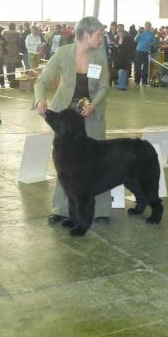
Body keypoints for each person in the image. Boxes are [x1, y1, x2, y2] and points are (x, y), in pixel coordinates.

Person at [34, 16, 111, 223]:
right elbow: (42, 80)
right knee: (65, 163)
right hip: (67, 118)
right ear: (86, 35)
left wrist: (93, 105)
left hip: (92, 113)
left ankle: (101, 210)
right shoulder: (63, 53)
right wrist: (41, 100)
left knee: (98, 162)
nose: (101, 38)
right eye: (98, 34)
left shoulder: (100, 55)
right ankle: (61, 209)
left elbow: (104, 86)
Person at [133, 21, 156, 86]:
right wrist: (138, 33)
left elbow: (154, 41)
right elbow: (135, 40)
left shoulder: (151, 33)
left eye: (148, 26)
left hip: (146, 52)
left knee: (146, 67)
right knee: (138, 67)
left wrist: (151, 43)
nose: (147, 27)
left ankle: (144, 81)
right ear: (144, 25)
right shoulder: (141, 32)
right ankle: (137, 81)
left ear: (150, 27)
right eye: (146, 25)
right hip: (139, 51)